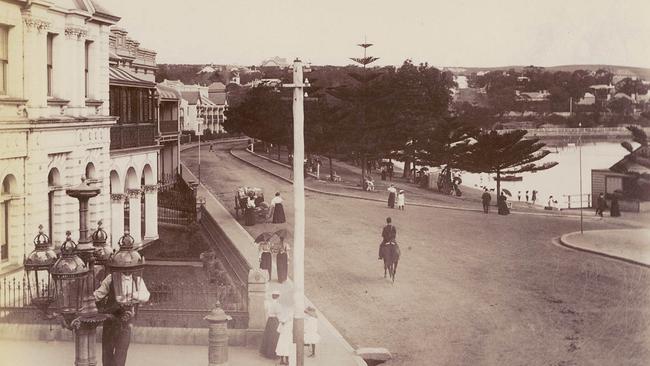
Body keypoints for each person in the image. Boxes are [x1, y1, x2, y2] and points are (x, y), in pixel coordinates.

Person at [94, 272, 150, 366]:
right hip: (111, 319)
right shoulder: (111, 277)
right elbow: (99, 294)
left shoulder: (137, 280)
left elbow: (146, 296)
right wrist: (88, 299)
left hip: (126, 322)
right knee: (107, 351)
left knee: (121, 352)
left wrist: (132, 294)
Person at [259, 290, 282, 359]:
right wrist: (281, 321)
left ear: (272, 296)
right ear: (278, 297)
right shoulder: (278, 305)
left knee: (268, 335)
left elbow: (267, 312)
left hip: (269, 320)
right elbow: (278, 314)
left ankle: (266, 352)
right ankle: (273, 354)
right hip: (275, 320)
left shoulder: (269, 304)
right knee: (274, 336)